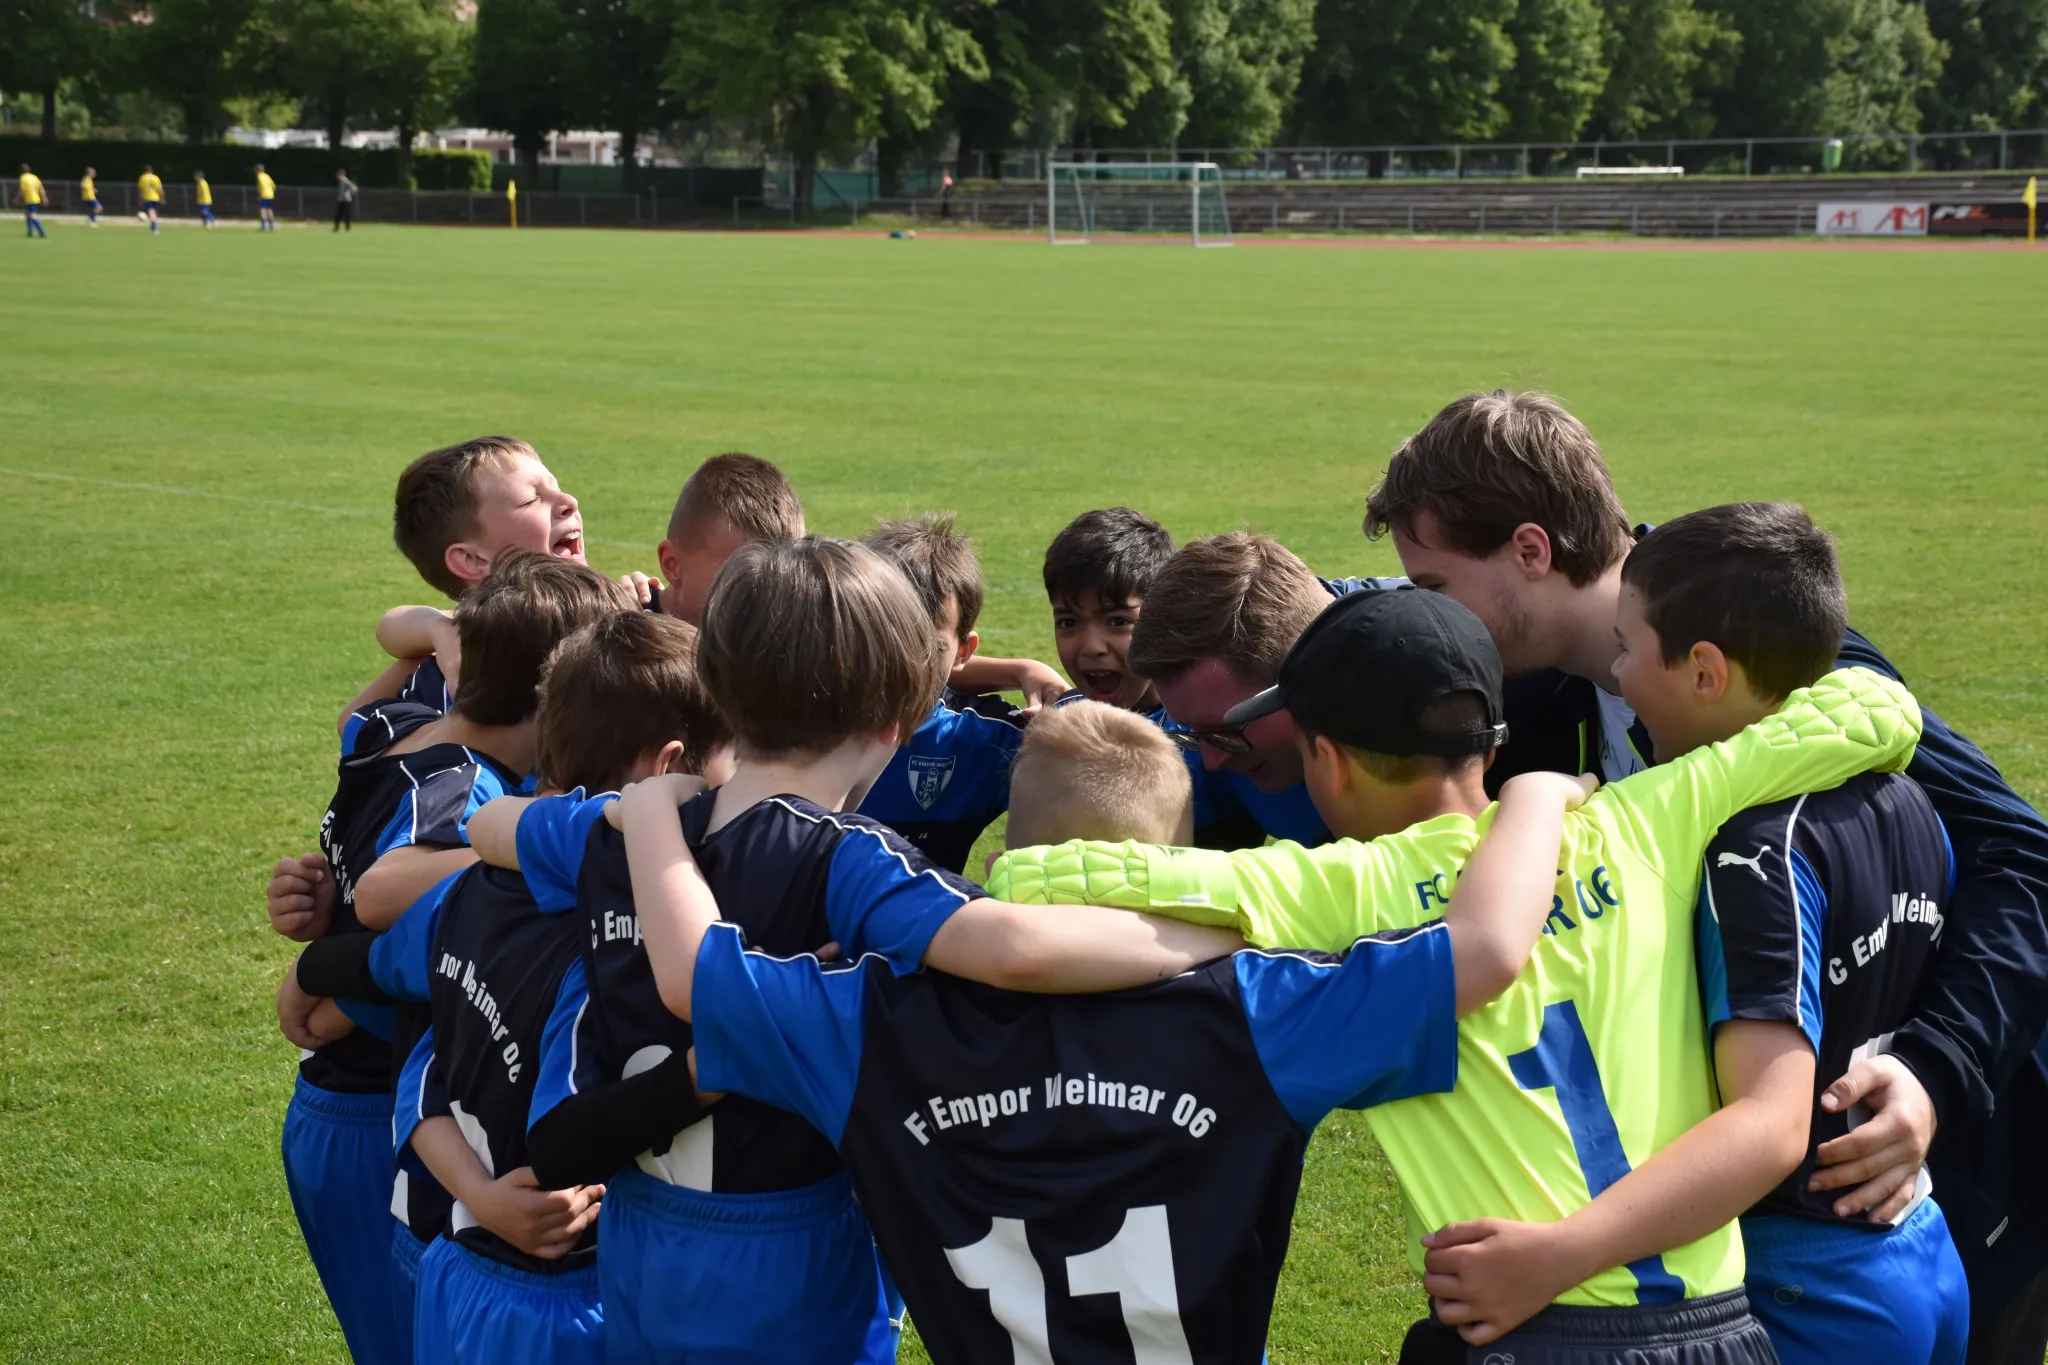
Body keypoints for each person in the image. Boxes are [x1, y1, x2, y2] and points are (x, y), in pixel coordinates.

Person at [989, 588, 1926, 1363]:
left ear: (1328, 763)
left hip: (1518, 1321)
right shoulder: (1646, 820)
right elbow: (1876, 708)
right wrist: (1541, 793)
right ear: (1489, 739)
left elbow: (1052, 879)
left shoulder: (1342, 888)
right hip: (1717, 1328)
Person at [1365, 389, 2048, 1363]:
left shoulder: (1797, 671)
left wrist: (1931, 1069)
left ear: (1530, 550)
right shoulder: (1546, 697)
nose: (1428, 619)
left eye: (1433, 587)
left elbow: (2022, 855)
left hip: (1916, 1181)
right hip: (1753, 1229)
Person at [605, 700, 1590, 1365]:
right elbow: (1479, 950)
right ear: (1177, 857)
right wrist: (1537, 795)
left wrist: (652, 814)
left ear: (1010, 845)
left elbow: (696, 972)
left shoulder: (871, 1017)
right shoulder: (1262, 1007)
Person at [288, 609, 733, 1364]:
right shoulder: (619, 944)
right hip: (563, 1295)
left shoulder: (466, 889)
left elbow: (418, 1069)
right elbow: (568, 1136)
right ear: (668, 770)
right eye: (729, 764)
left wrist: (308, 975)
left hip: (451, 1270)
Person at [650, 451, 1065, 705]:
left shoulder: (785, 629)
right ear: (672, 564)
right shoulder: (629, 636)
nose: (765, 591)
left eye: (784, 569)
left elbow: (895, 658)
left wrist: (1018, 670)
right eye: (738, 572)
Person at [1127, 532, 1398, 848]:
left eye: (1227, 730)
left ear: (1306, 678)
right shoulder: (1207, 732)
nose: (1213, 761)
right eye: (1194, 733)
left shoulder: (1422, 695)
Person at [853, 512, 1027, 872]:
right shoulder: (807, 719)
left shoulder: (986, 739)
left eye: (930, 647)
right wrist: (1018, 670)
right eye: (884, 637)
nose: (904, 662)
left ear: (964, 651)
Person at [1042, 506, 1175, 711]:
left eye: (1118, 621)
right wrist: (1019, 671)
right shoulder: (1056, 720)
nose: (1092, 647)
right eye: (1068, 622)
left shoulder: (1207, 723)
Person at [17, 164, 46, 238]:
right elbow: (41, 188)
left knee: (32, 215)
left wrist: (17, 198)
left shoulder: (23, 178)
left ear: (21, 171)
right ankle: (30, 232)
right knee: (28, 215)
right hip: (35, 198)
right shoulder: (34, 177)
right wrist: (44, 198)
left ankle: (42, 232)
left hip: (30, 199)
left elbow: (21, 190)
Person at [138, 164, 162, 234]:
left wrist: (140, 199)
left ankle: (154, 227)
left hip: (147, 197)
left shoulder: (142, 178)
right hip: (156, 198)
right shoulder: (155, 178)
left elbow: (141, 190)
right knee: (153, 212)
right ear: (151, 170)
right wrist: (162, 197)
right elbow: (160, 189)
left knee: (151, 211)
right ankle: (154, 224)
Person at [255, 163, 276, 231]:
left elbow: (261, 186)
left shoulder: (260, 176)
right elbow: (274, 186)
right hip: (271, 195)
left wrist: (260, 194)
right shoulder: (267, 176)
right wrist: (271, 192)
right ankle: (272, 225)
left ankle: (264, 226)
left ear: (257, 170)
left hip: (264, 195)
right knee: (269, 209)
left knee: (263, 209)